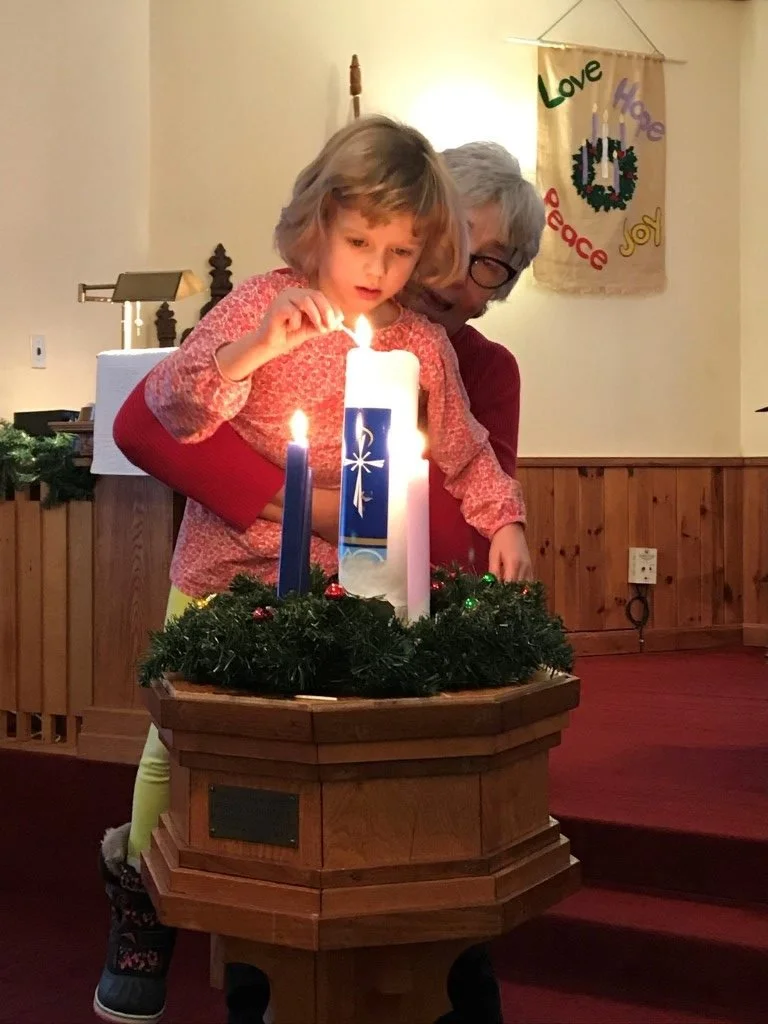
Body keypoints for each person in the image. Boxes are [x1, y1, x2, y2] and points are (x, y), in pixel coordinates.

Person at [94, 118, 532, 1024]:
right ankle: (140, 892)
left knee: (323, 760)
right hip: (227, 580)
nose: (378, 267)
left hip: (345, 590)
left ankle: (314, 929)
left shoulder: (423, 347)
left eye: (401, 251)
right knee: (176, 750)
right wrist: (254, 348)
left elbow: (467, 453)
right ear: (319, 223)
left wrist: (508, 520)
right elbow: (173, 406)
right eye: (360, 242)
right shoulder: (263, 302)